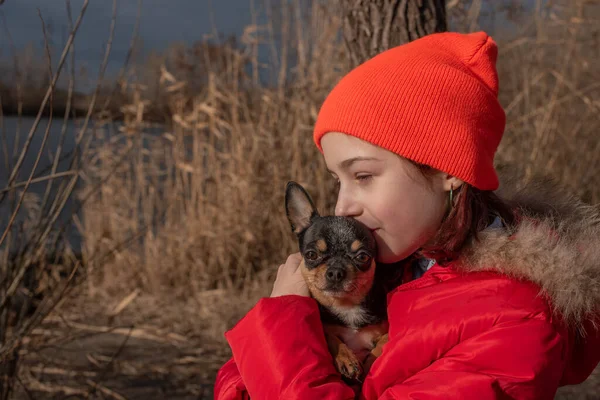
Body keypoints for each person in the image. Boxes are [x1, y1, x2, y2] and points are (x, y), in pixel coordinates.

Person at [213, 31, 600, 399]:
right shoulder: (389, 267)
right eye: (337, 181)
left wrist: (281, 326)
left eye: (363, 176)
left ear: (448, 169)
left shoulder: (515, 320)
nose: (342, 207)